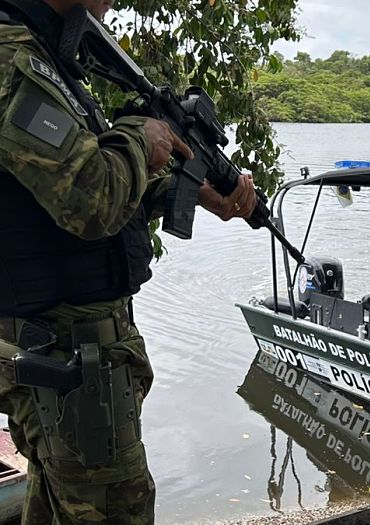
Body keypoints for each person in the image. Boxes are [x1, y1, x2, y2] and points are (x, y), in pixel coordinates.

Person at [0, 0, 257, 522]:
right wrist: (141, 137)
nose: (114, 2)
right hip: (67, 356)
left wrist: (190, 191)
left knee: (57, 501)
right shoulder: (13, 60)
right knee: (117, 507)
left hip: (64, 353)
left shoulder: (42, 52)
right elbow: (89, 197)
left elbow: (62, 194)